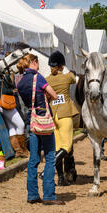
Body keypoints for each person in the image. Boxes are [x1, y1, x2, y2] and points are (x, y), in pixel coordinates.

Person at [17, 54, 65, 205]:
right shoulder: (39, 78)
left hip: (32, 122)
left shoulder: (20, 81)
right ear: (33, 63)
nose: (38, 64)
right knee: (50, 157)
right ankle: (49, 195)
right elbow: (54, 95)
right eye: (37, 61)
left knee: (33, 159)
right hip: (44, 121)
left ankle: (32, 195)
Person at [45, 51, 79, 186]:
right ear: (61, 66)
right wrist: (69, 70)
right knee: (67, 146)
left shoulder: (47, 79)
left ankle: (60, 178)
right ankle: (46, 171)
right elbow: (74, 77)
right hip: (65, 115)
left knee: (57, 147)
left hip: (54, 115)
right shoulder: (66, 77)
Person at [0, 66, 28, 159]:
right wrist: (12, 91)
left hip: (2, 106)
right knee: (21, 124)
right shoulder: (4, 77)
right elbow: (4, 90)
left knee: (12, 127)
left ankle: (18, 151)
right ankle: (22, 150)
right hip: (7, 105)